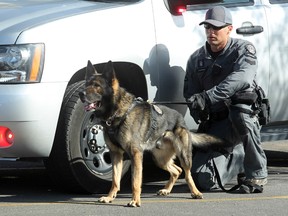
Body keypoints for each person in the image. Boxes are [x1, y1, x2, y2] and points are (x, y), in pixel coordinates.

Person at [183, 6, 268, 193]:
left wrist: (209, 96)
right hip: (218, 124)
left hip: (242, 120)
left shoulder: (244, 49)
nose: (211, 32)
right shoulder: (196, 59)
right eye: (207, 28)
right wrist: (197, 106)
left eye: (216, 28)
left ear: (229, 28)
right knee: (202, 180)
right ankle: (238, 157)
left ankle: (257, 174)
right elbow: (190, 92)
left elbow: (242, 79)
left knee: (241, 111)